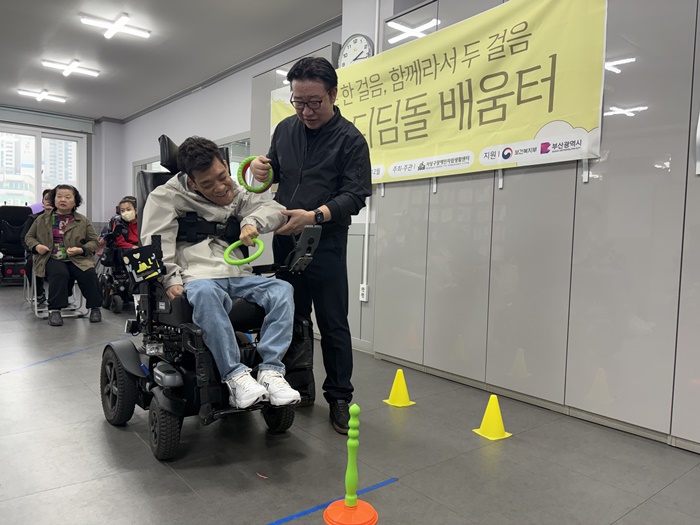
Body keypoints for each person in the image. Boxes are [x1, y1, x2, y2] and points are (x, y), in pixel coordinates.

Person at [250, 56, 372, 434]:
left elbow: (355, 195)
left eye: (314, 102)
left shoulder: (350, 140)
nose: (306, 111)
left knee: (333, 322)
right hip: (285, 238)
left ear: (333, 94)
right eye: (298, 102)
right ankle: (297, 385)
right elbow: (275, 173)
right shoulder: (285, 129)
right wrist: (262, 170)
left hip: (325, 241)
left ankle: (339, 397)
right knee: (290, 316)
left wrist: (315, 216)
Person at [140, 136, 301, 409]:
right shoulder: (165, 197)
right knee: (204, 291)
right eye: (207, 184)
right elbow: (155, 244)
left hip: (236, 272)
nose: (220, 187)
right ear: (192, 182)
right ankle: (235, 376)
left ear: (226, 166)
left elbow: (275, 210)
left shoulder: (235, 192)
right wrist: (169, 280)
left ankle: (271, 371)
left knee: (282, 289)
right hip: (197, 275)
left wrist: (252, 222)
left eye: (222, 176)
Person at [24, 185, 103, 326]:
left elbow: (94, 241)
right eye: (59, 196)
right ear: (54, 200)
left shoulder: (83, 221)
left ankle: (95, 308)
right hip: (51, 257)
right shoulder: (42, 219)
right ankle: (54, 310)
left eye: (67, 197)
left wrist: (81, 249)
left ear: (75, 201)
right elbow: (29, 237)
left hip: (77, 258)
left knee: (89, 273)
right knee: (59, 274)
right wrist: (36, 246)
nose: (62, 200)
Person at [21, 188, 53, 304]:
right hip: (38, 252)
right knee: (30, 265)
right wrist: (35, 248)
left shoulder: (65, 219)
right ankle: (39, 293)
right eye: (46, 199)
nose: (48, 201)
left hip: (58, 253)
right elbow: (24, 238)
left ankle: (64, 293)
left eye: (51, 198)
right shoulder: (33, 218)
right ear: (42, 201)